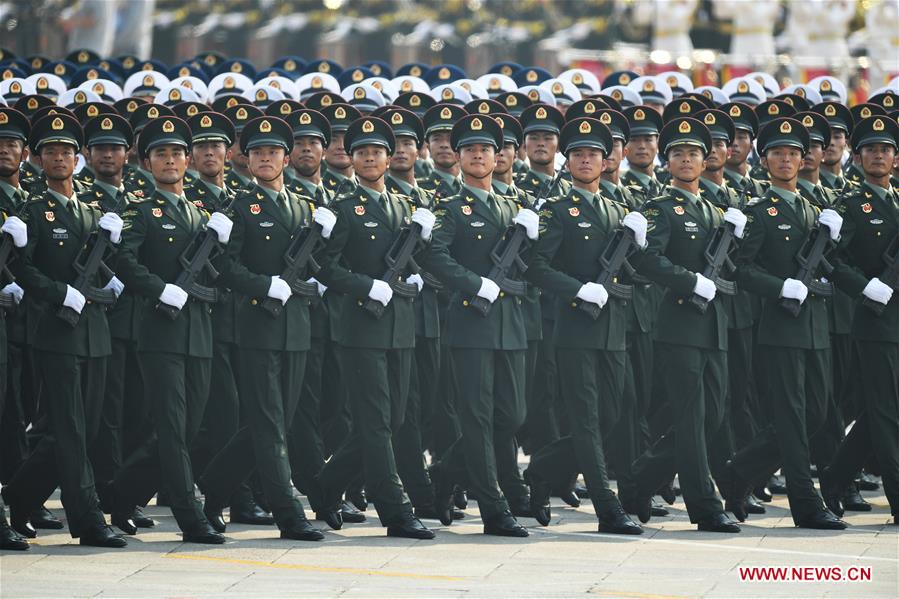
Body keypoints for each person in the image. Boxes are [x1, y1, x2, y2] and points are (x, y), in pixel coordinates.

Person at [199, 115, 333, 541]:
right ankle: (288, 513)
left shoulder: (303, 206)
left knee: (270, 422)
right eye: (257, 153)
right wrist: (263, 285)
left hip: (296, 327)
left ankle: (214, 486)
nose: (265, 159)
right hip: (257, 326)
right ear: (246, 158)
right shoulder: (238, 205)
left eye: (273, 152)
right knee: (270, 423)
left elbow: (317, 263)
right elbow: (221, 267)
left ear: (286, 157)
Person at [105, 115, 233, 544]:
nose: (172, 160)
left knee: (188, 428)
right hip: (160, 331)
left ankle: (121, 493)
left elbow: (216, 275)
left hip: (198, 332)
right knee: (174, 429)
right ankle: (189, 516)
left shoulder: (200, 214)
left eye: (178, 152)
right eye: (162, 153)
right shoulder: (140, 210)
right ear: (147, 162)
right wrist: (160, 290)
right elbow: (124, 260)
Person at [2, 113, 126, 547]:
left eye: (67, 152)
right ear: (38, 159)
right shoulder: (32, 209)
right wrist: (60, 294)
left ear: (78, 159)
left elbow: (101, 271)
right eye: (51, 151)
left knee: (82, 429)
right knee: (71, 431)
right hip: (56, 331)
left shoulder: (94, 212)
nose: (60, 158)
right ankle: (88, 520)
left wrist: (112, 272)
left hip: (95, 332)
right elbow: (23, 269)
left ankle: (18, 496)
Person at [619, 116, 745, 534]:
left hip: (714, 326)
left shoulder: (714, 210)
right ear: (666, 160)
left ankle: (638, 479)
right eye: (678, 153)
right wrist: (691, 280)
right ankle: (705, 505)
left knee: (711, 418)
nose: (687, 159)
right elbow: (646, 259)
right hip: (678, 323)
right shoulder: (659, 208)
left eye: (693, 153)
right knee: (692, 419)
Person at [313, 116, 436, 540]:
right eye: (362, 152)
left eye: (377, 151)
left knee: (395, 418)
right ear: (353, 158)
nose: (369, 157)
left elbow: (416, 258)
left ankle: (326, 486)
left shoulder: (405, 206)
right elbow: (323, 266)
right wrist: (366, 286)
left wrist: (416, 273)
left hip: (400, 326)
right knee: (377, 422)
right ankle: (396, 510)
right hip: (360, 327)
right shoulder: (343, 208)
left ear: (389, 157)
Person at [524, 116, 645, 535]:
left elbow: (635, 273)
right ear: (568, 161)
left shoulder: (619, 210)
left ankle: (541, 470)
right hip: (576, 328)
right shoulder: (558, 210)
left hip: (613, 328)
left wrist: (641, 247)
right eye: (578, 154)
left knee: (611, 416)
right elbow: (536, 266)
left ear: (606, 160)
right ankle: (607, 510)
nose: (586, 160)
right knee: (587, 421)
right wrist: (577, 290)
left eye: (594, 154)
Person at [726, 117, 847, 530]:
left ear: (804, 158)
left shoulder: (816, 211)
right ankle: (804, 502)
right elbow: (740, 269)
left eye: (793, 153)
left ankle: (739, 469)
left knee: (816, 415)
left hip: (816, 327)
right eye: (777, 153)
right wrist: (781, 287)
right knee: (793, 417)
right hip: (781, 327)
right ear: (765, 160)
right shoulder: (759, 212)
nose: (786, 159)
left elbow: (831, 268)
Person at [423, 114, 540, 537]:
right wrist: (475, 285)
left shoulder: (514, 207)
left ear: (499, 156)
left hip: (511, 325)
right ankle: (494, 508)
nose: (478, 154)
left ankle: (446, 472)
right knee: (476, 417)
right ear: (458, 157)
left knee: (510, 416)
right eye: (470, 149)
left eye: (486, 149)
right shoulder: (449, 207)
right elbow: (433, 255)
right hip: (472, 323)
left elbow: (532, 265)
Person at [822, 114, 899, 524]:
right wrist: (865, 286)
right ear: (859, 155)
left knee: (877, 413)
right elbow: (832, 261)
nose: (878, 155)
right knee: (886, 413)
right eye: (870, 149)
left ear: (896, 157)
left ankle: (834, 478)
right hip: (875, 321)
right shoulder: (851, 205)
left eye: (885, 149)